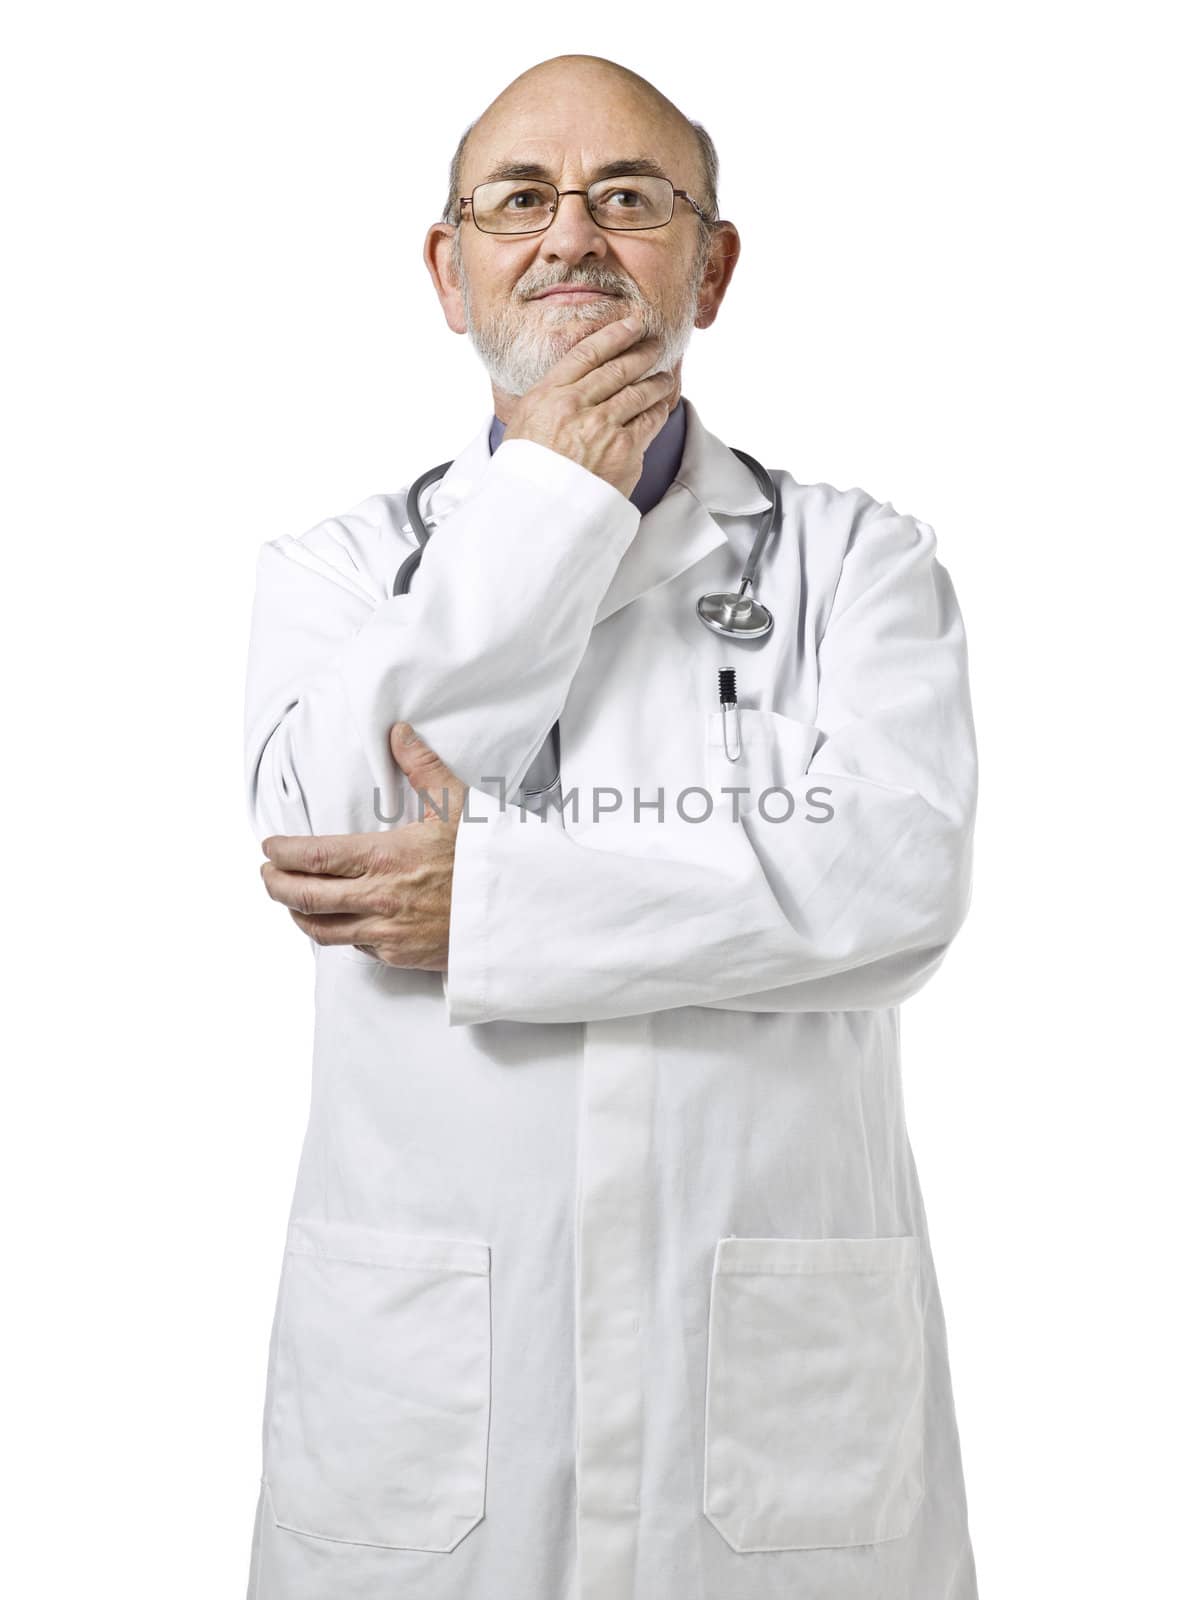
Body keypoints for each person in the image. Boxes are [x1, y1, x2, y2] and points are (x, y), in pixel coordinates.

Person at [241, 52, 981, 1600]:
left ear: (711, 266)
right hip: (436, 1397)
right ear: (451, 274)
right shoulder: (336, 571)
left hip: (772, 1406)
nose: (571, 234)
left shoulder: (858, 564)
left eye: (630, 200)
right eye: (520, 200)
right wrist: (556, 507)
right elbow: (335, 845)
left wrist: (494, 902)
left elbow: (896, 883)